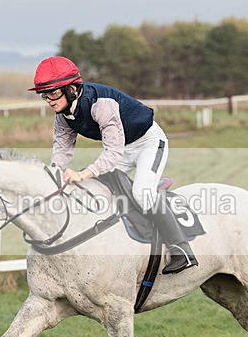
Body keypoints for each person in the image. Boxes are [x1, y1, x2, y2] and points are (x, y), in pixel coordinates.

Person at [29, 56, 197, 274]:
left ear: (71, 89)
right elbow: (62, 149)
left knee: (142, 192)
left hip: (149, 142)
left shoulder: (101, 104)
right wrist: (53, 174)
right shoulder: (63, 115)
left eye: (53, 93)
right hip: (124, 147)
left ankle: (182, 250)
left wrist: (82, 174)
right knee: (100, 191)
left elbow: (113, 152)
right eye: (45, 95)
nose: (49, 100)